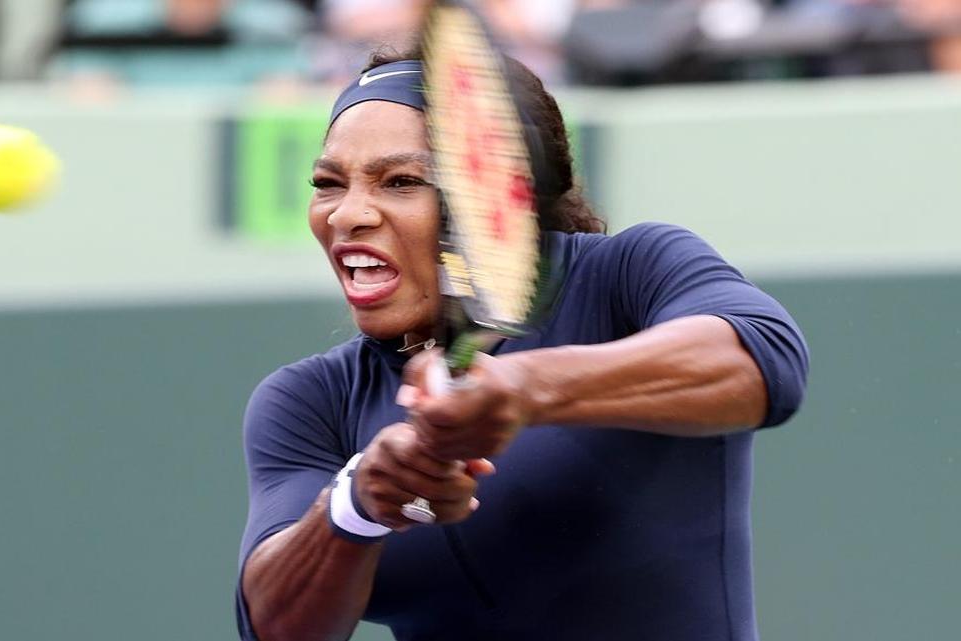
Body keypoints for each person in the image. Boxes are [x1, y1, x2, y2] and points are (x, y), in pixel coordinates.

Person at [236, 49, 809, 641]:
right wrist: (355, 505)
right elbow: (275, 627)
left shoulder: (628, 274)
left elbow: (766, 360)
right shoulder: (310, 402)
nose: (346, 214)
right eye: (328, 184)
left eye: (402, 181)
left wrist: (525, 389)